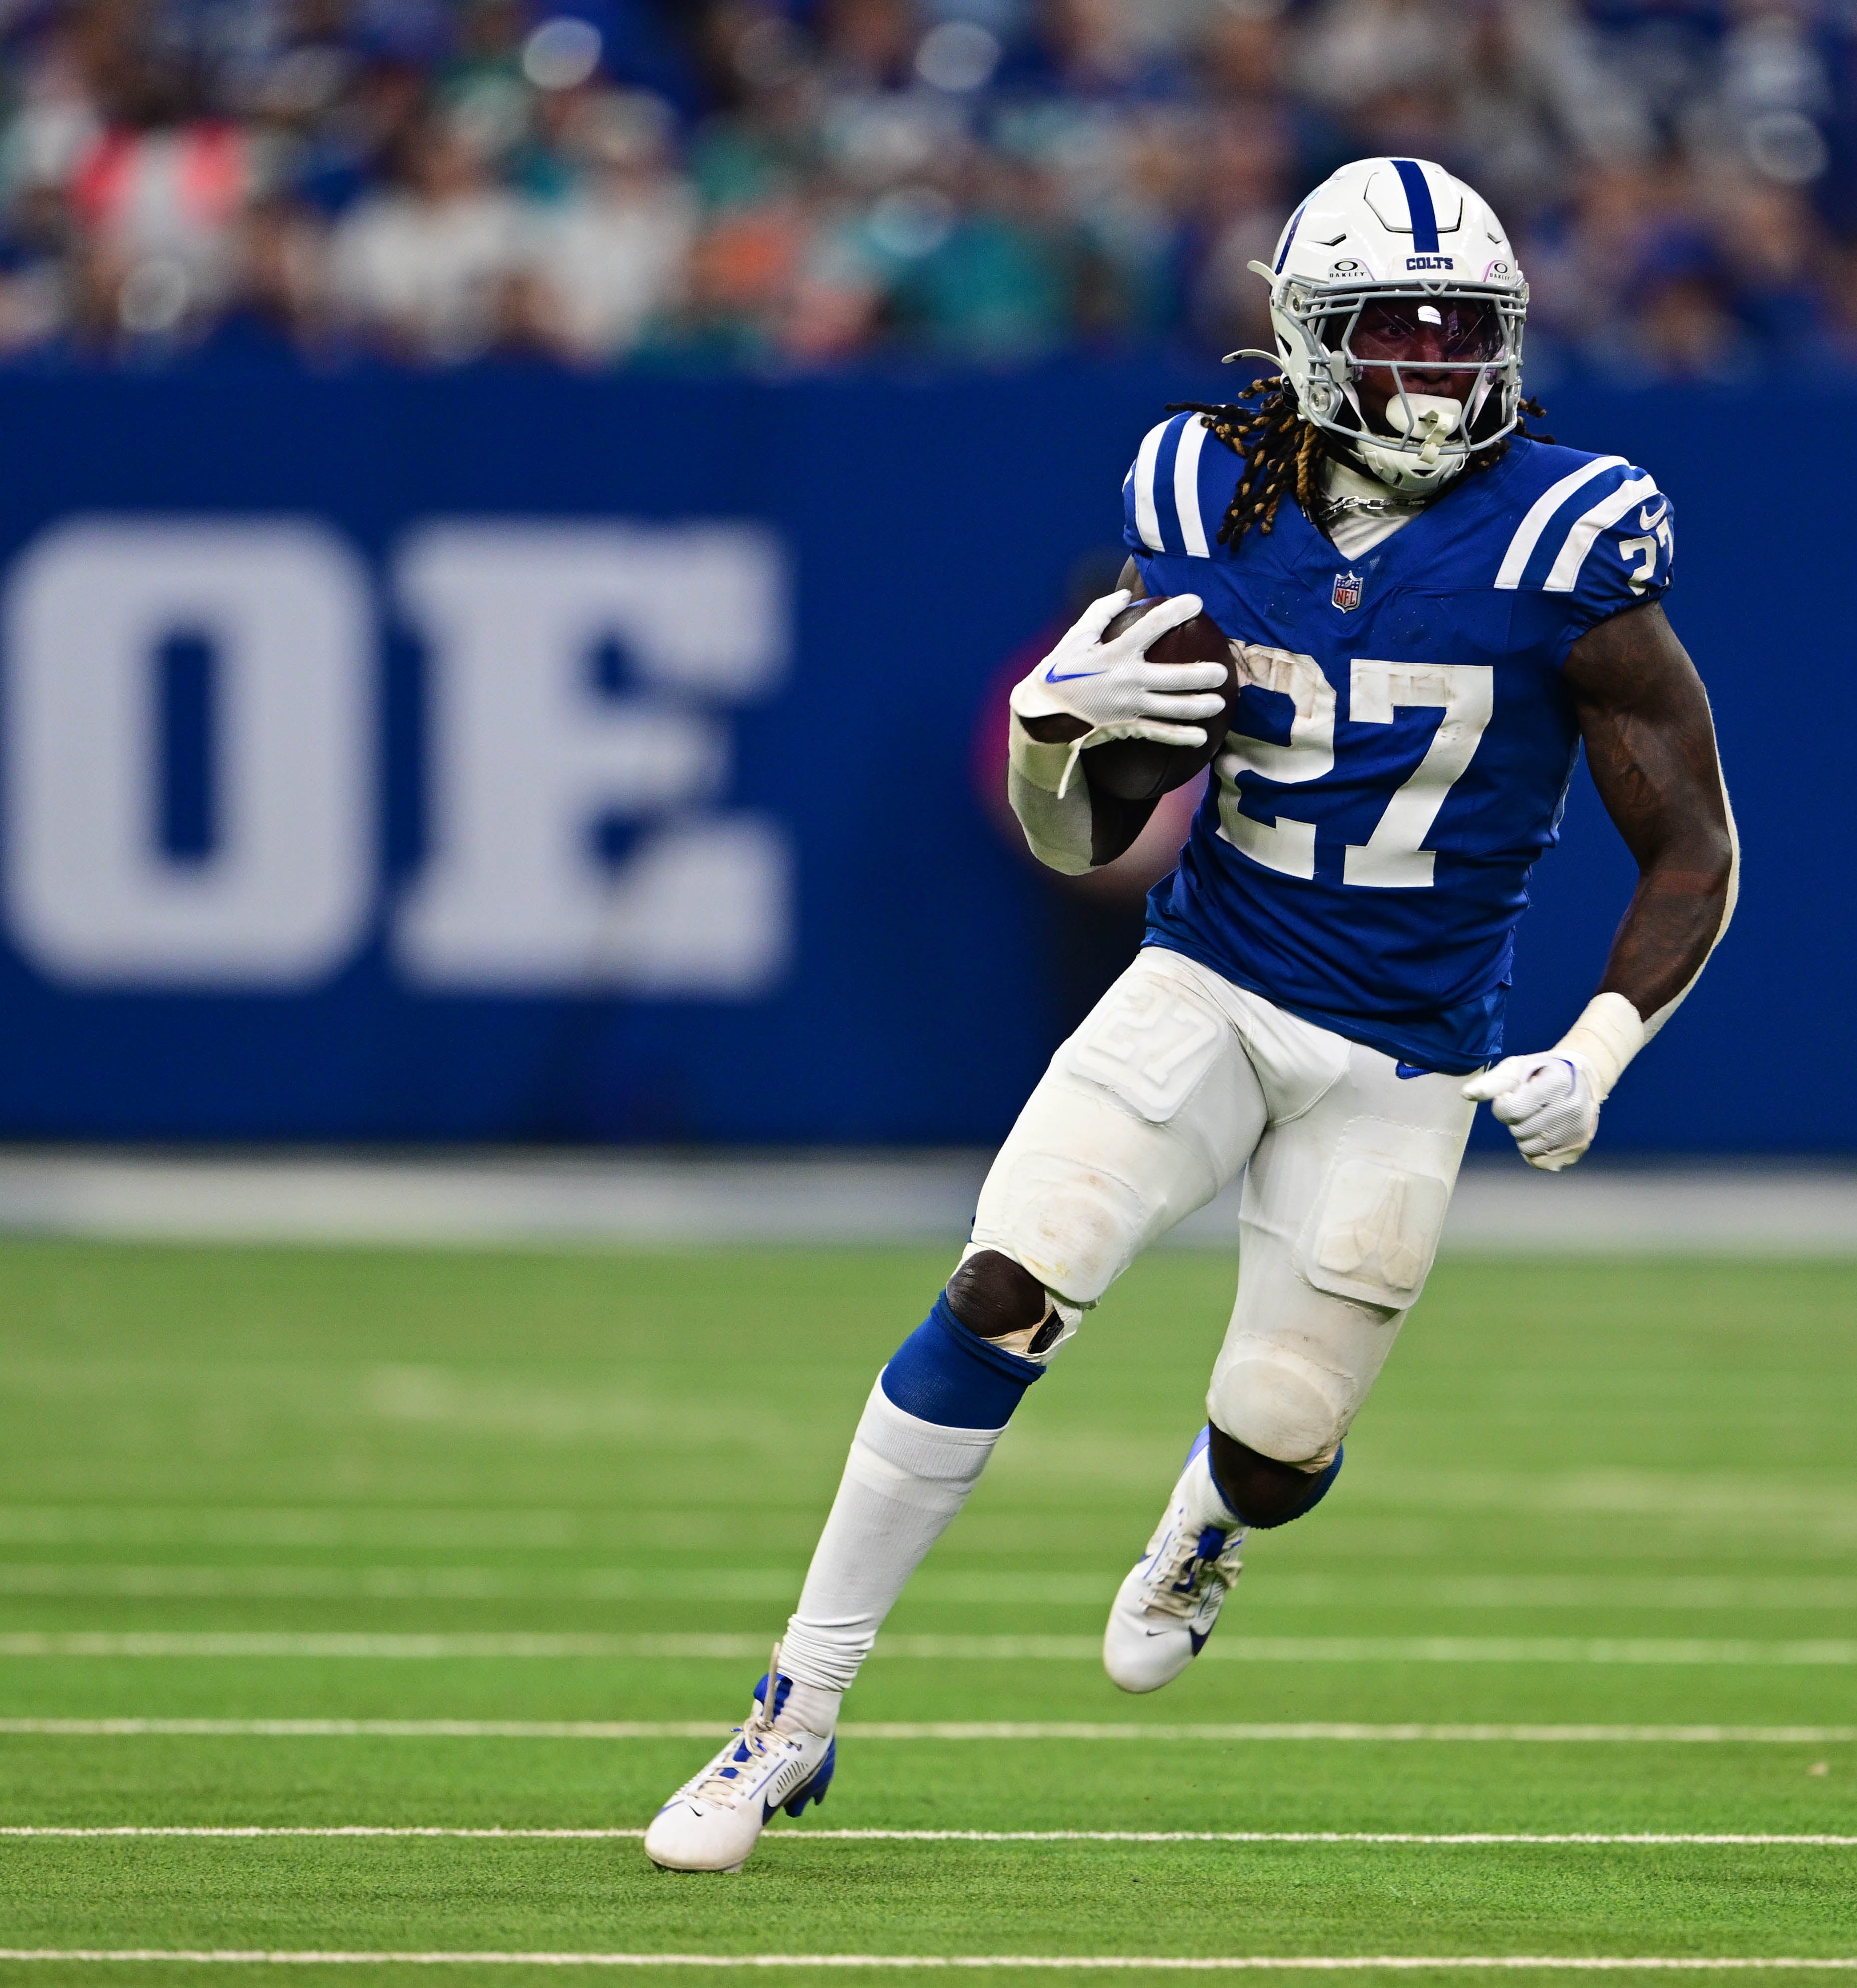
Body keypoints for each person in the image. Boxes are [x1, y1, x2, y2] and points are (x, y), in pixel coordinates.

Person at [642, 155, 1739, 1874]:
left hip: (1408, 1051)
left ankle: (1214, 1518)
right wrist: (1049, 732)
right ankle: (793, 1713)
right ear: (1307, 339)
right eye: (1399, 331)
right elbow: (1078, 833)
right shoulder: (1197, 489)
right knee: (1008, 1280)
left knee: (1288, 1434)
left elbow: (1690, 841)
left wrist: (1599, 1044)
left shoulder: (1568, 531)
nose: (1439, 370)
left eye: (1469, 334)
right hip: (1209, 980)